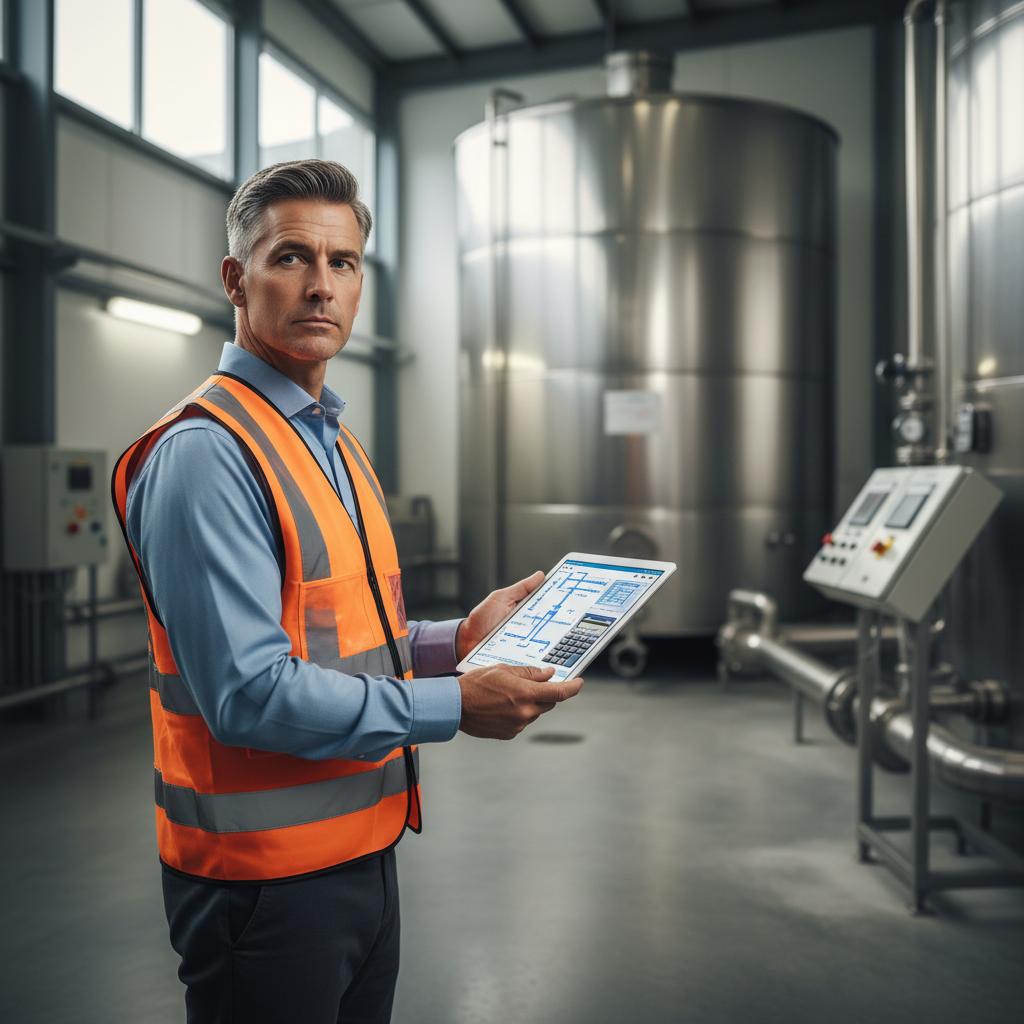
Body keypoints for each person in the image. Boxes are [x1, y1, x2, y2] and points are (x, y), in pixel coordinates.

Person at [111, 159, 583, 1024]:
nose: (320, 286)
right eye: (291, 257)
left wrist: (455, 643)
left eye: (344, 262)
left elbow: (348, 638)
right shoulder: (208, 455)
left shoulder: (333, 443)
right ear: (236, 280)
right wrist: (451, 704)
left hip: (361, 853)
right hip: (261, 884)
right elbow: (249, 695)